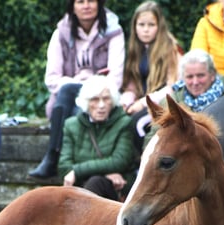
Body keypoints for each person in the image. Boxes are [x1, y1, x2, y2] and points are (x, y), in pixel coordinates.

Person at [28, 0, 125, 179]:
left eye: (91, 1)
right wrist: (75, 82)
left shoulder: (114, 31)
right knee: (67, 91)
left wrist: (89, 86)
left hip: (100, 94)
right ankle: (54, 156)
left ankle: (59, 160)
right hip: (65, 95)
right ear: (72, 6)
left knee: (80, 105)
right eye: (80, 1)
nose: (86, 6)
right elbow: (51, 78)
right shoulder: (60, 33)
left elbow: (115, 78)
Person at [58, 75, 136, 201]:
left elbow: (119, 161)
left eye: (106, 99)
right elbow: (64, 167)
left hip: (115, 188)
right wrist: (105, 172)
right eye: (95, 99)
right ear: (86, 102)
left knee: (96, 182)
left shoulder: (124, 123)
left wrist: (77, 171)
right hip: (82, 188)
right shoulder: (71, 125)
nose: (101, 105)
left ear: (113, 101)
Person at [120, 1, 183, 153]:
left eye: (151, 25)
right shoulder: (135, 48)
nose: (146, 30)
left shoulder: (171, 48)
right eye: (141, 25)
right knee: (118, 120)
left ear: (159, 26)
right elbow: (132, 83)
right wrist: (127, 100)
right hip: (139, 103)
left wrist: (142, 104)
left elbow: (173, 86)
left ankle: (146, 165)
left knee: (137, 124)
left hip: (162, 105)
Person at [141, 49, 224, 149]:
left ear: (212, 75)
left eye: (201, 75)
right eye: (189, 77)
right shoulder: (170, 103)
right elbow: (152, 138)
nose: (195, 82)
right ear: (183, 78)